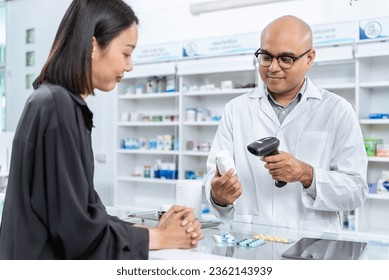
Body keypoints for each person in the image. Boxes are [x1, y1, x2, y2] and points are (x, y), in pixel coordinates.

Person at [0, 0, 203, 260]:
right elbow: (77, 232)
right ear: (93, 46)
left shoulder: (57, 102)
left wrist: (157, 230)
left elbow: (88, 213)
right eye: (126, 53)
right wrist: (161, 238)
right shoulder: (57, 106)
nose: (129, 66)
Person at [205, 15, 368, 232]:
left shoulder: (337, 110)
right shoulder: (236, 109)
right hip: (252, 243)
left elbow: (356, 191)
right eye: (266, 56)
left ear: (309, 58)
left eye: (285, 59)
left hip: (312, 247)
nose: (273, 67)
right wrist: (218, 195)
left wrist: (306, 174)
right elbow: (212, 181)